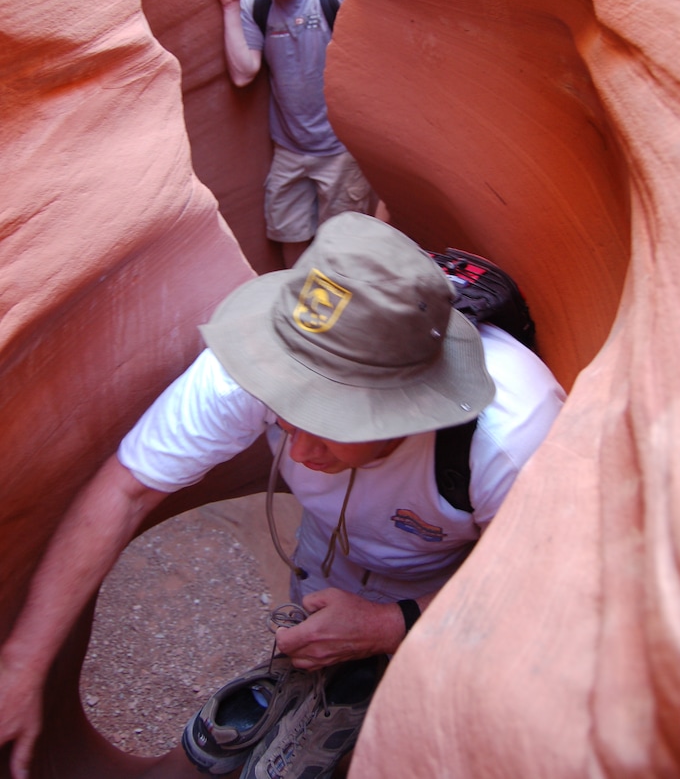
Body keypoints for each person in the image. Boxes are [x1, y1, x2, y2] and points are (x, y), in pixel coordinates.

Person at [0, 212, 565, 779]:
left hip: (449, 598)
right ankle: (312, 700)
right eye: (286, 414)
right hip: (328, 563)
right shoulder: (262, 362)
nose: (297, 453)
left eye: (328, 423)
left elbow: (538, 595)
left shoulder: (508, 440)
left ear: (411, 404)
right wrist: (22, 666)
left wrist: (392, 624)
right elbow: (126, 490)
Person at [209, 0, 375, 267]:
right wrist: (229, 6)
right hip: (289, 149)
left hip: (340, 151)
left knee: (341, 253)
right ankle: (297, 315)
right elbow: (242, 72)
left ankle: (337, 322)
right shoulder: (256, 0)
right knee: (291, 243)